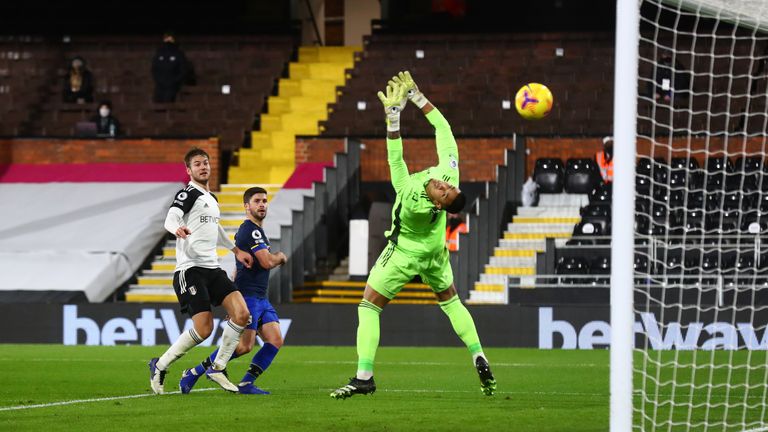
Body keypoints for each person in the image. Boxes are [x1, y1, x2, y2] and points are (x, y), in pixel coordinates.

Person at [330, 71, 496, 399]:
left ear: (437, 203)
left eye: (444, 192)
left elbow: (396, 159)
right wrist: (419, 98)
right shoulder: (448, 172)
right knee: (451, 301)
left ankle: (364, 376)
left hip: (405, 250)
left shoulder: (411, 196)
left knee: (368, 306)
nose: (444, 185)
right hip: (435, 251)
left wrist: (393, 118)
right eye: (448, 186)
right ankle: (478, 353)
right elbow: (444, 130)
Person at [148, 147, 254, 395]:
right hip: (190, 269)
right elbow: (170, 217)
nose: (203, 167)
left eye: (206, 163)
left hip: (212, 268)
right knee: (204, 329)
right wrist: (176, 229)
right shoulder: (188, 194)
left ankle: (217, 367)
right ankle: (160, 365)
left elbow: (215, 230)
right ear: (189, 170)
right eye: (197, 164)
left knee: (242, 314)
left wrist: (235, 250)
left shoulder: (211, 198)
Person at [179, 186, 288, 395]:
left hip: (260, 297)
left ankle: (246, 383)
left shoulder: (255, 231)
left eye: (265, 201)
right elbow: (266, 262)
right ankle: (195, 371)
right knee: (244, 346)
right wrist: (280, 257)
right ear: (247, 206)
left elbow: (242, 267)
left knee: (275, 340)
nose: (262, 204)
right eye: (257, 201)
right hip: (249, 298)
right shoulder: (250, 230)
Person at [151, 32, 188, 103]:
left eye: (170, 38)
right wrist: (159, 80)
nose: (168, 41)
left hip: (173, 85)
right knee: (157, 103)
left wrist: (174, 81)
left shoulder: (179, 54)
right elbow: (154, 69)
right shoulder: (159, 53)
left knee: (168, 100)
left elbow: (183, 70)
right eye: (166, 38)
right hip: (160, 85)